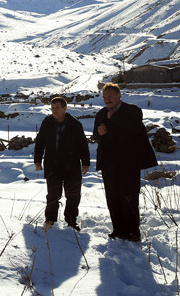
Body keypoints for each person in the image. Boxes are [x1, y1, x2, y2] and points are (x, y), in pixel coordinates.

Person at [93, 83, 157, 241]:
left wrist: (114, 118)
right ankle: (118, 229)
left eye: (110, 96)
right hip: (109, 164)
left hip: (129, 163)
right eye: (104, 97)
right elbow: (96, 136)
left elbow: (135, 128)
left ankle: (133, 231)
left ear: (119, 96)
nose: (107, 99)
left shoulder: (133, 110)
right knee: (113, 197)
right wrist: (99, 134)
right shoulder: (101, 113)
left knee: (129, 196)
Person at [34, 96, 90, 231]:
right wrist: (37, 159)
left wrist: (86, 162)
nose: (54, 110)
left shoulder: (75, 124)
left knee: (73, 195)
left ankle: (71, 221)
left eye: (57, 108)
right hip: (53, 164)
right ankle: (50, 220)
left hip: (71, 164)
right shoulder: (47, 122)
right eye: (52, 108)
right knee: (53, 195)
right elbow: (40, 142)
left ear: (65, 108)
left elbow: (83, 144)